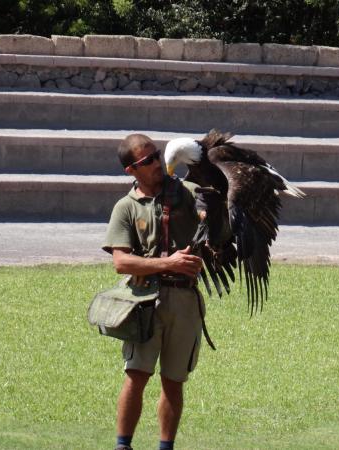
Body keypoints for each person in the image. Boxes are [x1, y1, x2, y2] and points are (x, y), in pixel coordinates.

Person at [102, 133, 206, 450]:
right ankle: (123, 446)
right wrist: (168, 263)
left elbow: (212, 215)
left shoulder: (187, 194)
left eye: (156, 154)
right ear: (131, 170)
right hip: (144, 301)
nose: (156, 163)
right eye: (146, 161)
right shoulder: (125, 207)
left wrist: (210, 213)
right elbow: (121, 262)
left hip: (185, 300)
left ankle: (165, 447)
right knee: (137, 375)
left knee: (174, 381)